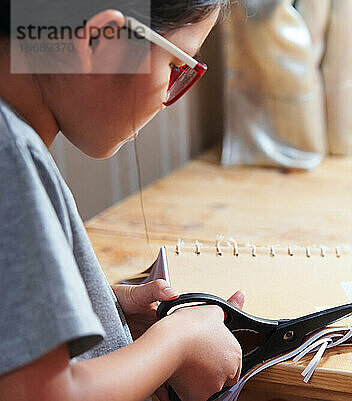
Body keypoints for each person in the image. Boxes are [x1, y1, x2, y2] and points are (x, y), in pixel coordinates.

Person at [0, 1, 244, 400]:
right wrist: (174, 345)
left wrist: (95, 303)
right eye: (177, 67)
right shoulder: (9, 157)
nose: (168, 95)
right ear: (103, 41)